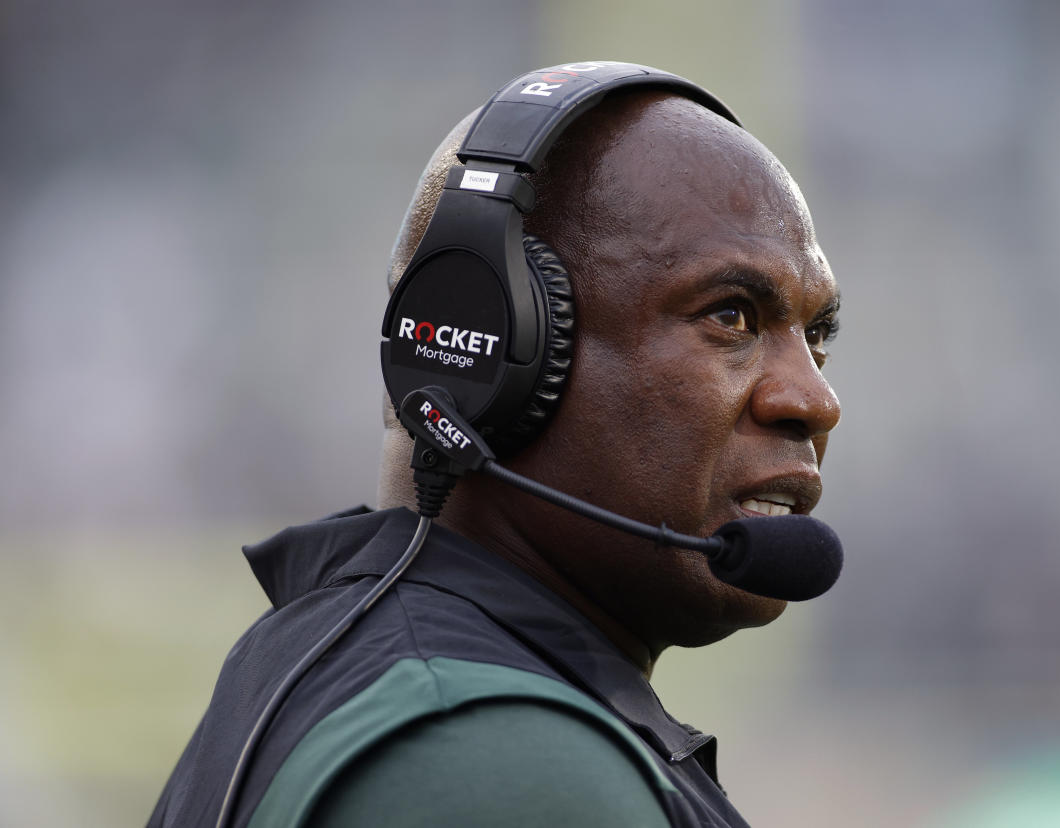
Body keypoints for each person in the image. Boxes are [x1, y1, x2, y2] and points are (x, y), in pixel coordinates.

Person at [149, 63, 841, 828]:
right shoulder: (495, 764)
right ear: (486, 346)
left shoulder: (359, 672)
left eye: (816, 337)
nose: (813, 399)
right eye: (732, 317)